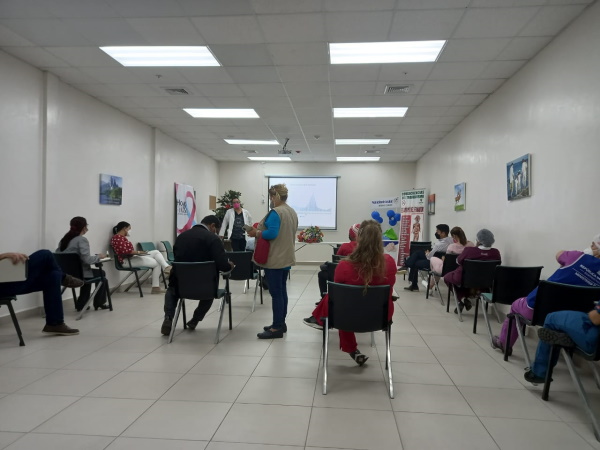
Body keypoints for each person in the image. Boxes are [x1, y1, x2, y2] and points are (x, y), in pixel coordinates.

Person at [303, 220, 397, 366]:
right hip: (380, 317)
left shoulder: (344, 266)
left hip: (346, 318)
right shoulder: (389, 263)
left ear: (358, 238)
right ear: (380, 240)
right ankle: (320, 319)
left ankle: (321, 320)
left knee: (338, 301)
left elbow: (338, 296)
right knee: (341, 301)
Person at [492, 233, 600, 354]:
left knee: (516, 305)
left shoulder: (578, 257)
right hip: (570, 320)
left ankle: (504, 343)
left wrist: (584, 254)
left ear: (594, 246)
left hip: (537, 312)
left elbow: (559, 254)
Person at [160, 215, 234, 336]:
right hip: (205, 287)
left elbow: (177, 258)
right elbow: (222, 265)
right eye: (216, 230)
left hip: (181, 286)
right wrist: (229, 265)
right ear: (212, 226)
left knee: (171, 290)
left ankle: (168, 317)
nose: (215, 232)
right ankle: (195, 320)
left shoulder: (181, 237)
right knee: (211, 292)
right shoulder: (213, 239)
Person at [247, 183, 298, 339]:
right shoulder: (291, 211)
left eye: (271, 197)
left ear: (276, 196)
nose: (270, 200)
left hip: (275, 258)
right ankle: (281, 323)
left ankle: (276, 328)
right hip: (286, 257)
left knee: (276, 294)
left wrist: (257, 233)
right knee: (282, 291)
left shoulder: (276, 212)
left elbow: (272, 234)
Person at [0, 250, 83, 335]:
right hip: (3, 287)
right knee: (45, 254)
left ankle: (55, 324)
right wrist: (4, 255)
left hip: (5, 283)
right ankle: (64, 278)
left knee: (53, 276)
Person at [524, 307, 600, 384]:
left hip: (594, 339)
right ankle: (570, 333)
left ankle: (539, 372)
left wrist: (593, 312)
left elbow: (596, 318)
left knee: (551, 318)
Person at [56, 216, 109, 311]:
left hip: (65, 274)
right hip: (79, 274)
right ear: (84, 227)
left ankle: (82, 304)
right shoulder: (81, 240)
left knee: (88, 273)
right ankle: (99, 302)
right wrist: (99, 257)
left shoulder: (64, 240)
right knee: (101, 273)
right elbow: (87, 260)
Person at [443, 228, 501, 313]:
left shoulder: (469, 250)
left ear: (478, 240)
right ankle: (465, 298)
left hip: (465, 279)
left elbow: (458, 261)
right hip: (486, 282)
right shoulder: (495, 253)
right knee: (469, 283)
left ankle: (462, 298)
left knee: (448, 278)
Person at [110, 221, 171, 294]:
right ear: (124, 228)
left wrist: (140, 253)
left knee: (156, 252)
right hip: (126, 261)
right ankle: (155, 287)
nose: (130, 231)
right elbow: (125, 252)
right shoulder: (117, 238)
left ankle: (167, 267)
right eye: (129, 229)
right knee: (157, 263)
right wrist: (139, 252)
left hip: (131, 258)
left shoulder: (122, 238)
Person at [316, 223, 361, 300]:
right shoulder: (367, 248)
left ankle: (324, 297)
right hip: (362, 278)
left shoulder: (344, 246)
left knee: (321, 274)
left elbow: (336, 261)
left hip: (344, 277)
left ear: (350, 235)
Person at [404, 224, 453, 292]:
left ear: (443, 233)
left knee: (415, 262)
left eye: (438, 231)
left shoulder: (439, 244)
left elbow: (429, 257)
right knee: (418, 253)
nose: (436, 233)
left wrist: (427, 253)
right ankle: (407, 264)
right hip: (443, 261)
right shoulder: (451, 240)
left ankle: (413, 283)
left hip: (433, 263)